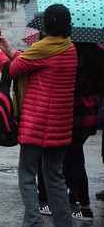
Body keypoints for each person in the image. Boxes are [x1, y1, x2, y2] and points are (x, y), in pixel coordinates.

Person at [0, 4, 77, 227]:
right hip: (60, 126)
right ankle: (64, 223)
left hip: (38, 124)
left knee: (27, 175)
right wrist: (8, 48)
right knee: (55, 177)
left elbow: (11, 70)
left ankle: (32, 222)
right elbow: (30, 62)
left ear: (48, 25)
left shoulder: (44, 47)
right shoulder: (68, 47)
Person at [61, 43, 104, 220]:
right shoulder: (99, 55)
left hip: (74, 113)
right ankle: (74, 193)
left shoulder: (72, 55)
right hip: (91, 112)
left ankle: (86, 209)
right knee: (71, 156)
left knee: (75, 159)